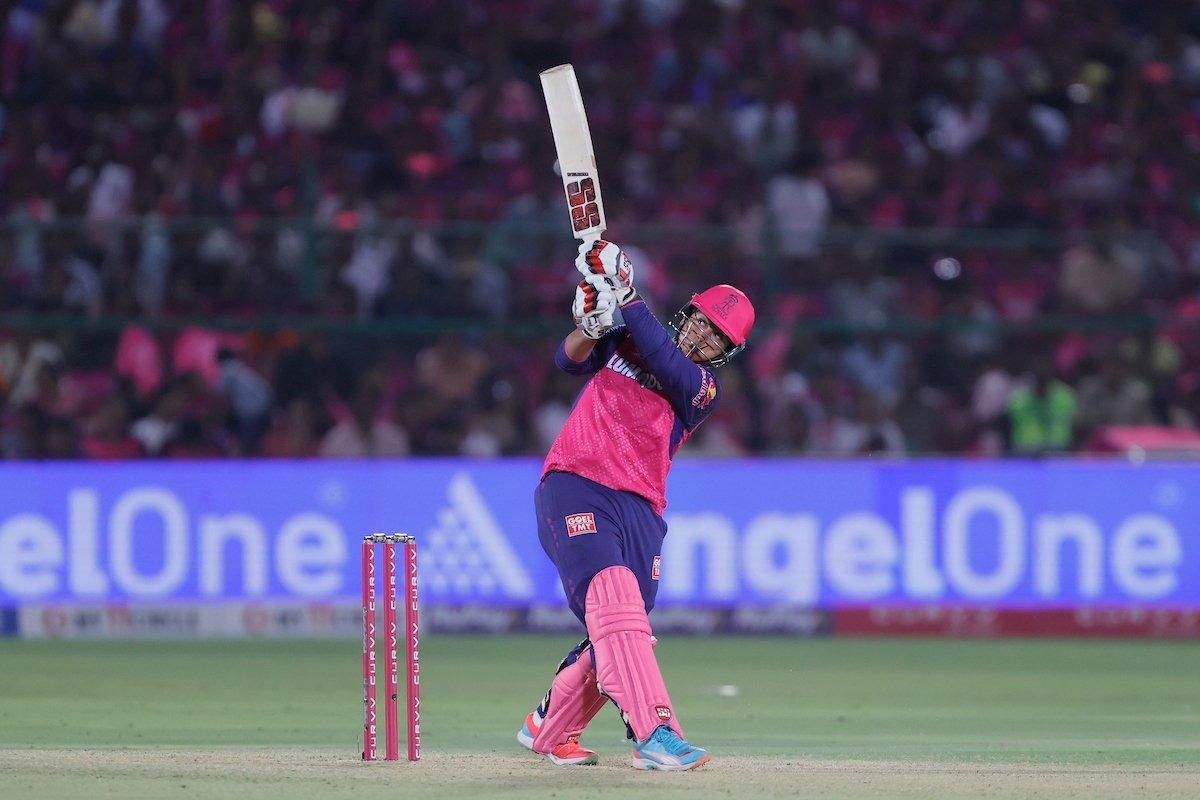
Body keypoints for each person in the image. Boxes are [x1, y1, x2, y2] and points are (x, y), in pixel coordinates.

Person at [515, 240, 755, 771]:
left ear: (724, 352)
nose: (702, 335)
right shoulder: (627, 339)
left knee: (623, 629)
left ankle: (548, 726)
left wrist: (625, 292)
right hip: (577, 484)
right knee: (617, 608)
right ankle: (657, 735)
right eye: (701, 322)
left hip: (643, 510)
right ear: (686, 314)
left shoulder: (701, 388)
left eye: (716, 336)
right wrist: (590, 327)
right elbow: (567, 359)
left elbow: (664, 358)